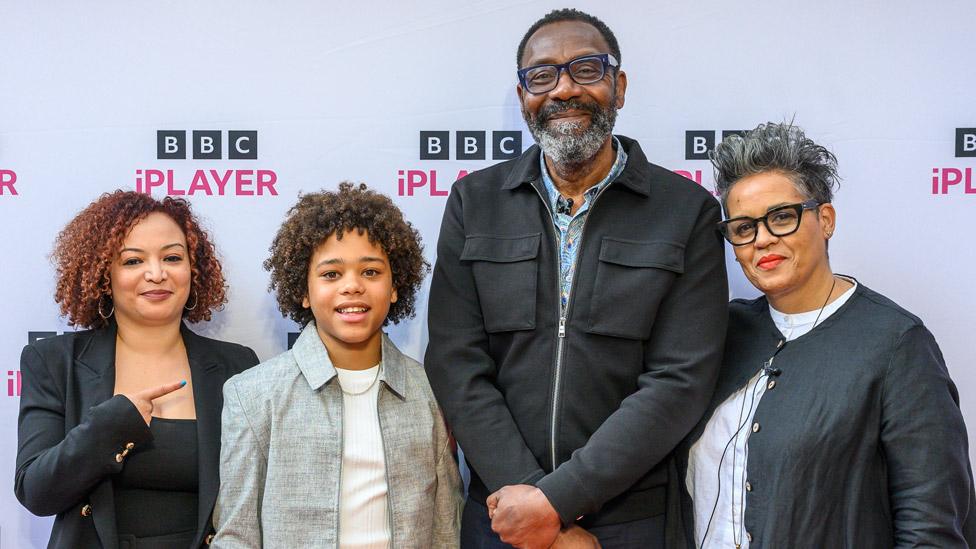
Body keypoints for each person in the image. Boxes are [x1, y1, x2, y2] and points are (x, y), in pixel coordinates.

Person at [425, 8, 728, 549]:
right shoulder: (474, 202)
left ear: (620, 86)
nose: (564, 89)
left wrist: (560, 501)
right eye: (542, 76)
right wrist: (536, 507)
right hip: (501, 514)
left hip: (631, 521)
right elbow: (456, 364)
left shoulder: (688, 212)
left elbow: (679, 382)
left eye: (586, 69)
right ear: (523, 97)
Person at [676, 122, 976, 548]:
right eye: (743, 228)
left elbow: (931, 525)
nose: (762, 240)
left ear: (826, 219)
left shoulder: (895, 343)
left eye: (782, 217)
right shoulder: (721, 334)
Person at [212, 183, 462, 548]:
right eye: (331, 274)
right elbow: (236, 535)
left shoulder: (430, 391)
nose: (352, 287)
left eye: (371, 272)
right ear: (303, 289)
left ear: (395, 287)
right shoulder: (253, 395)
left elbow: (445, 528)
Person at [15, 190, 259, 548]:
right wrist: (114, 423)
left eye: (172, 257)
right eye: (133, 261)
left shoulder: (237, 366)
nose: (157, 274)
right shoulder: (53, 362)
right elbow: (37, 491)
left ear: (194, 269)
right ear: (103, 275)